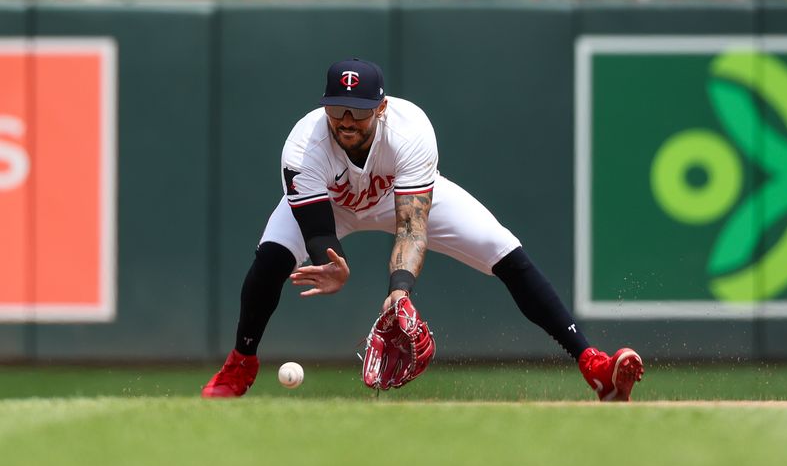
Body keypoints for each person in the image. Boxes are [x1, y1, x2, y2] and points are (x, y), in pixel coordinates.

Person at [202, 58, 644, 401]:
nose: (346, 120)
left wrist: (400, 290)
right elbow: (318, 231)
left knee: (503, 249)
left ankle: (593, 365)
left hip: (400, 195)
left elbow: (412, 227)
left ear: (381, 106)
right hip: (332, 207)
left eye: (358, 110)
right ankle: (240, 364)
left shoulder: (410, 129)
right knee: (270, 259)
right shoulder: (303, 148)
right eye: (337, 108)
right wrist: (329, 264)